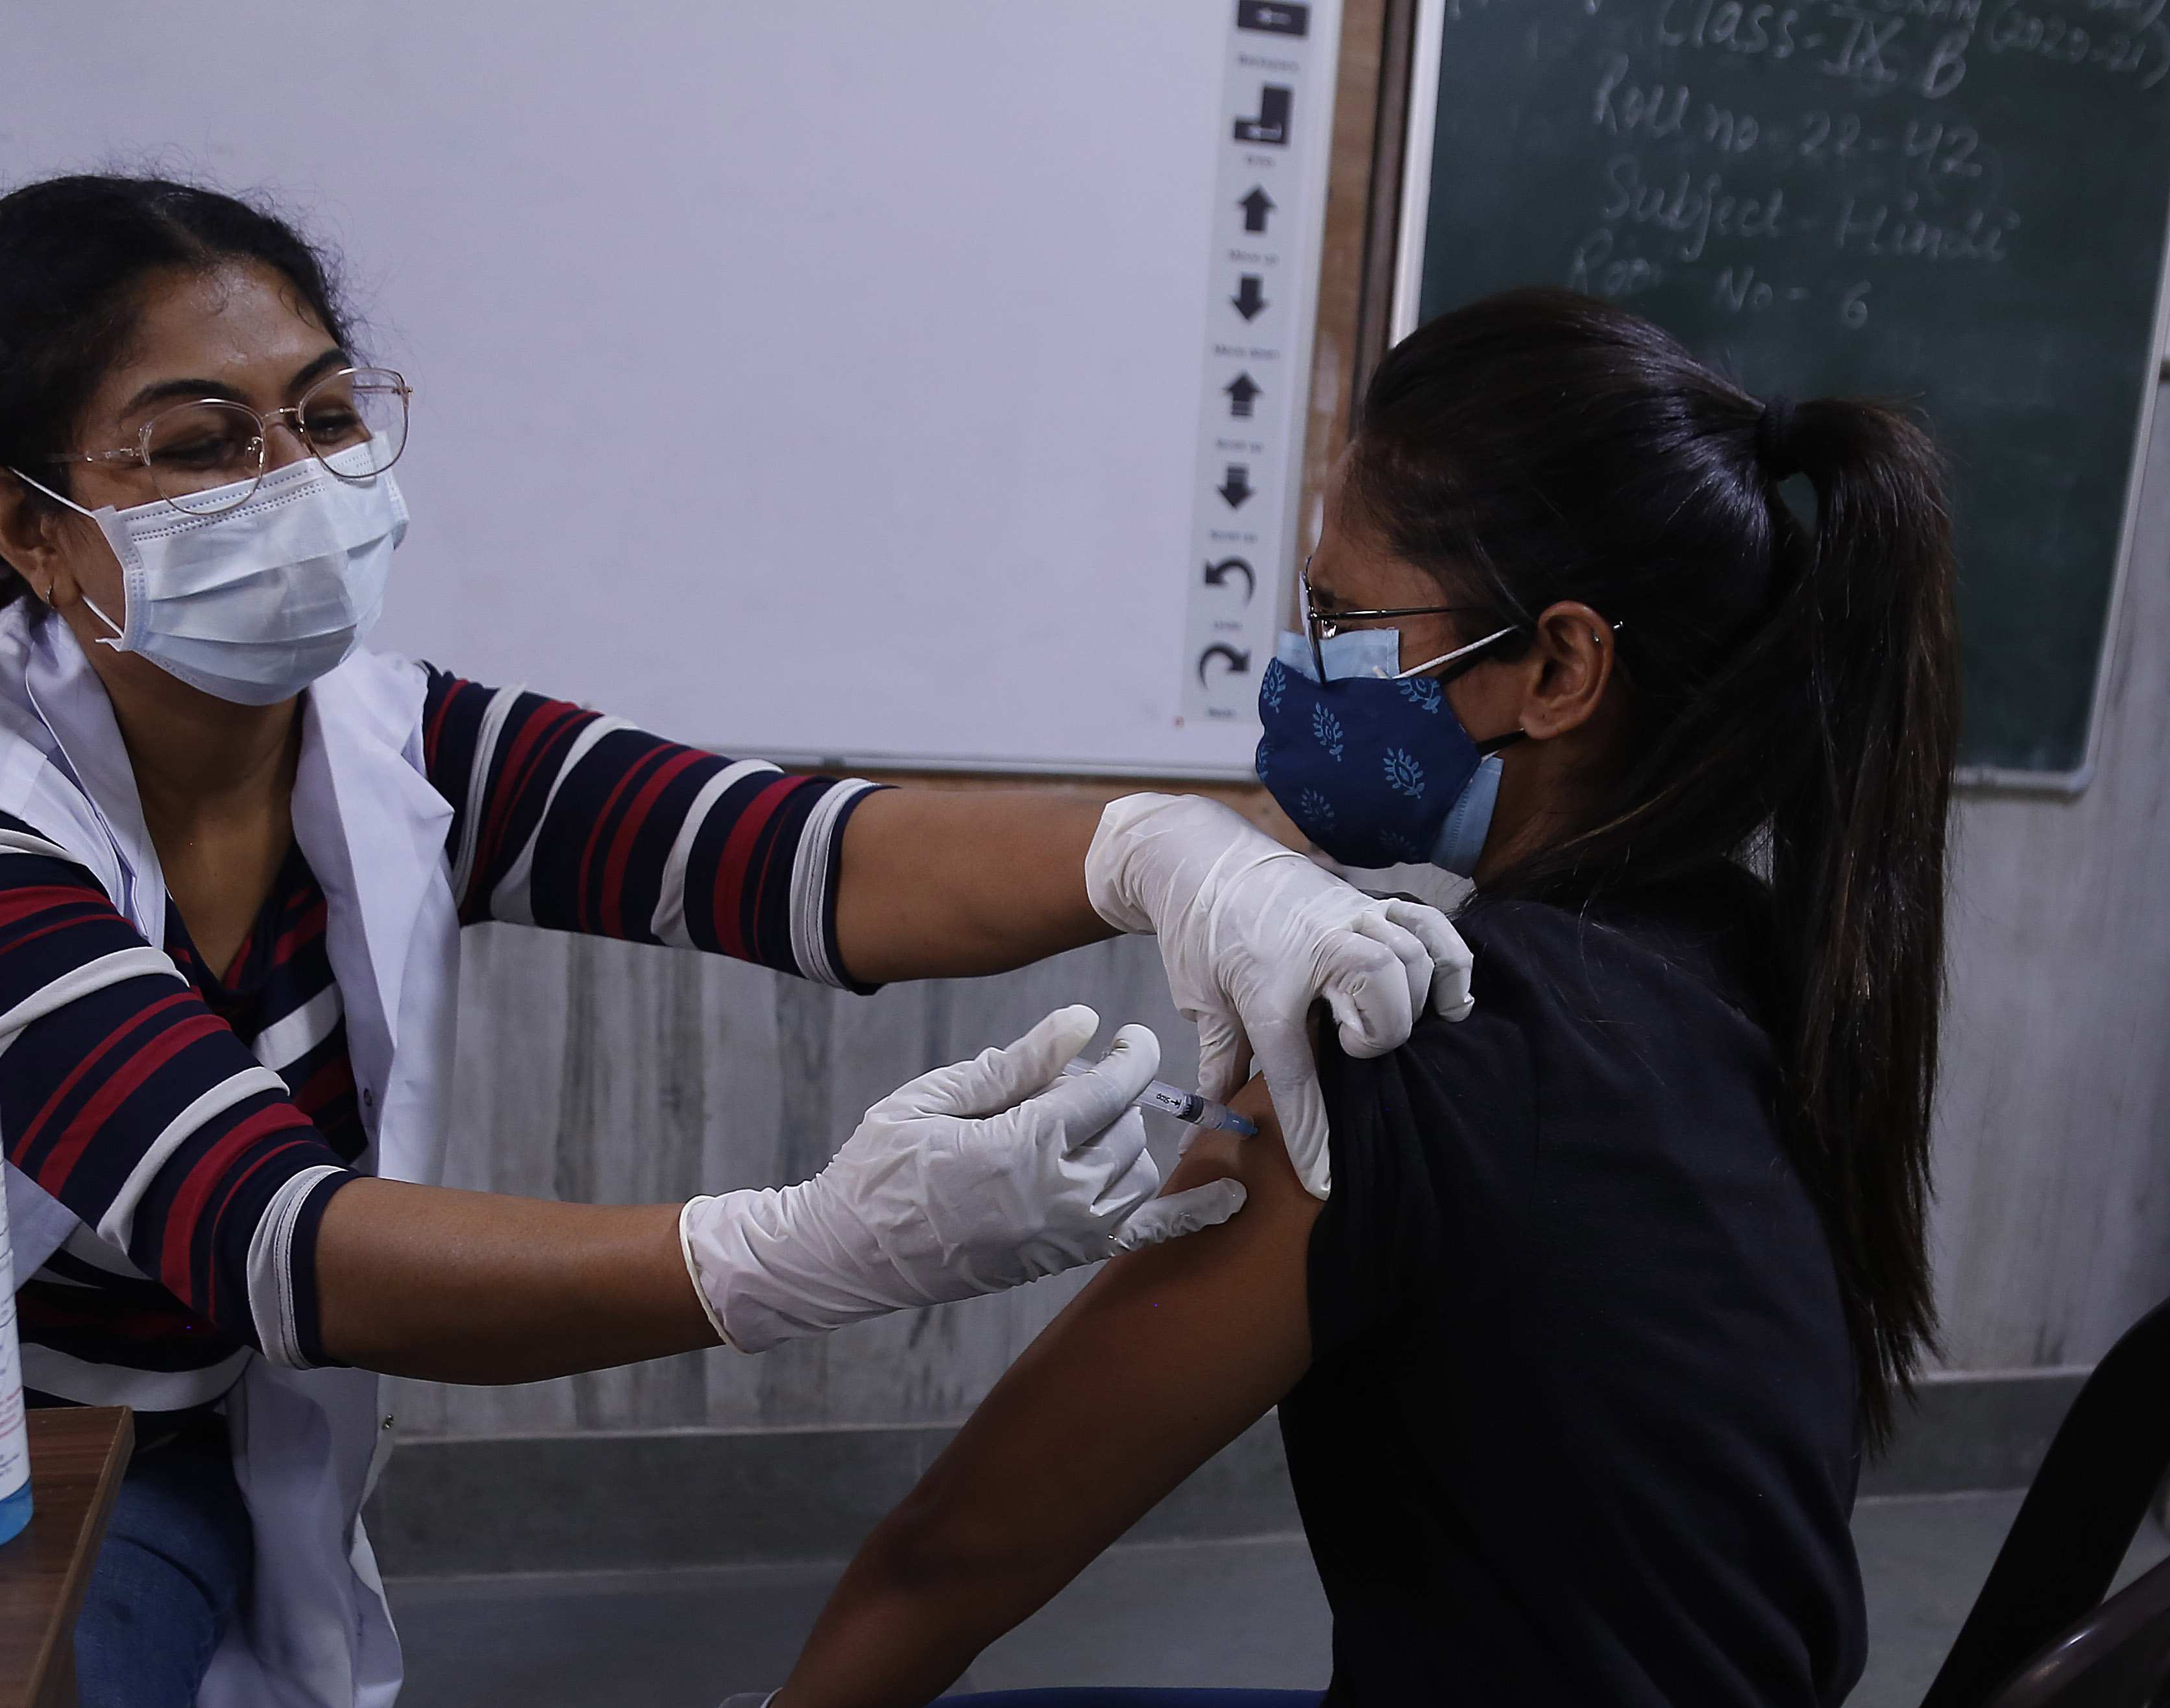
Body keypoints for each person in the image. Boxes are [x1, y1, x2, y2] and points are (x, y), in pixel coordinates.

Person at [0, 175, 1473, 1708]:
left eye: (318, 413)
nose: (293, 483)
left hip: (175, 1450)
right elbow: (263, 1235)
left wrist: (1176, 854)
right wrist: (814, 1249)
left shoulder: (381, 740)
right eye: (198, 445)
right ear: (28, 528)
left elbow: (795, 854)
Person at [751, 287, 1960, 1706]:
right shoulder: (1746, 958)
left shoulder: (1419, 1048)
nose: (1303, 661)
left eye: (1338, 613)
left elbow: (952, 1555)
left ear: (1558, 668)